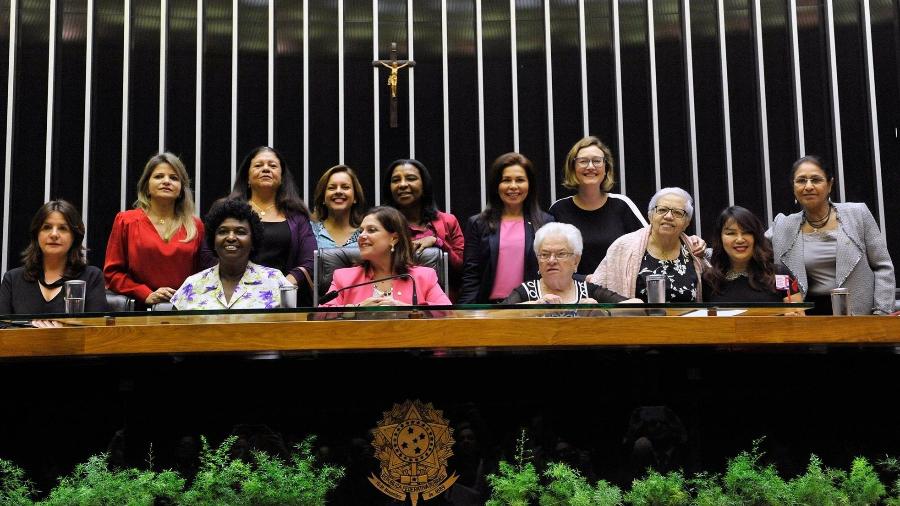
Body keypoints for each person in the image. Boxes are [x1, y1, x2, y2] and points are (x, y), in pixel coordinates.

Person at [769, 155, 894, 315]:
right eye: (801, 181)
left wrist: (882, 313)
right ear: (793, 187)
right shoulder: (782, 225)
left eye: (815, 180)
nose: (808, 186)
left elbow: (883, 266)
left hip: (860, 319)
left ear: (830, 184)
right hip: (805, 322)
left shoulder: (858, 215)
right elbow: (751, 244)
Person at [104, 152, 204, 308]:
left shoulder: (195, 225)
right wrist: (145, 294)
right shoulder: (126, 221)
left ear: (181, 189)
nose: (166, 181)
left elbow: (203, 275)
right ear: (147, 186)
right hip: (138, 309)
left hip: (184, 310)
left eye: (174, 178)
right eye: (158, 176)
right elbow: (112, 274)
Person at [460, 152, 553, 304]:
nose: (513, 186)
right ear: (496, 186)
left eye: (520, 180)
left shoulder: (546, 223)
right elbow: (471, 275)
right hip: (489, 310)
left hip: (534, 307)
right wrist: (465, 313)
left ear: (530, 184)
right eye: (506, 180)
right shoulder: (478, 223)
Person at [227, 146, 317, 301]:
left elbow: (311, 260)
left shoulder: (297, 215)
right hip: (235, 294)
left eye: (272, 165)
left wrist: (283, 287)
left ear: (281, 177)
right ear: (247, 177)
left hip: (284, 297)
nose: (266, 169)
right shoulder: (228, 210)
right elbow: (209, 254)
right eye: (258, 165)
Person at [548, 136, 647, 275]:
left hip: (618, 293)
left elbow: (649, 244)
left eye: (596, 161)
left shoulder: (622, 205)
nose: (590, 167)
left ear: (606, 168)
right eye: (583, 161)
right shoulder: (558, 209)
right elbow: (547, 258)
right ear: (572, 167)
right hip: (574, 292)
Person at [320, 206, 451, 306]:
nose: (361, 236)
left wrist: (405, 309)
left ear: (393, 238)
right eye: (361, 231)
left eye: (371, 230)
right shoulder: (344, 278)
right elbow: (320, 316)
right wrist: (357, 309)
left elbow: (447, 313)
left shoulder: (425, 277)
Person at [171, 199, 289, 310]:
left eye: (240, 232)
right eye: (223, 232)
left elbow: (292, 328)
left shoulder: (275, 280)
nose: (231, 237)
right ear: (213, 241)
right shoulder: (192, 284)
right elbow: (171, 329)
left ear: (253, 241)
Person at [591, 187, 705, 301]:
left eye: (678, 212)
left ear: (687, 222)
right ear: (650, 215)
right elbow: (595, 289)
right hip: (636, 318)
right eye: (662, 210)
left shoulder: (695, 249)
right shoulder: (623, 246)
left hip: (688, 319)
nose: (669, 216)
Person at [0, 201, 107, 318]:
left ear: (74, 237)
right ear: (36, 235)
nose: (54, 234)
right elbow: (3, 330)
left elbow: (96, 331)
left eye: (63, 228)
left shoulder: (92, 277)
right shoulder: (12, 279)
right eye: (47, 227)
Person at [381, 159, 464, 298]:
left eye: (411, 178)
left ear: (425, 185)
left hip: (441, 303)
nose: (402, 184)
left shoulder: (448, 221)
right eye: (396, 180)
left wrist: (438, 242)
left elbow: (462, 268)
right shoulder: (381, 225)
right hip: (393, 302)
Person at [502, 223, 633, 304]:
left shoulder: (589, 290)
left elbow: (637, 306)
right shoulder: (525, 291)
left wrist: (602, 312)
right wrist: (532, 307)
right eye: (545, 255)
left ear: (576, 260)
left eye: (561, 254)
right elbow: (494, 315)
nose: (551, 260)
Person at [703, 206, 803, 305]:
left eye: (746, 232)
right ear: (720, 238)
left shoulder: (780, 275)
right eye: (731, 233)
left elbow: (798, 317)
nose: (740, 239)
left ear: (756, 237)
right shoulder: (710, 280)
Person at [311, 165, 365, 249]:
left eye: (345, 187)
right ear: (323, 198)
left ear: (355, 197)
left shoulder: (365, 233)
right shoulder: (309, 231)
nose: (338, 191)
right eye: (332, 188)